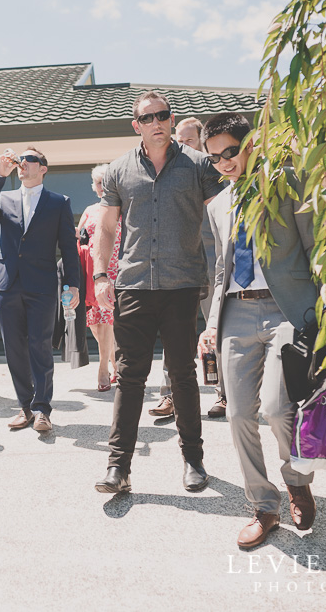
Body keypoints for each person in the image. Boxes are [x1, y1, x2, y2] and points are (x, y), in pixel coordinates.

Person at [93, 91, 223, 495]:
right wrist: (100, 276)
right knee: (130, 377)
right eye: (148, 117)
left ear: (171, 119)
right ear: (137, 125)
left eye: (163, 116)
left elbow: (223, 215)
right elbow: (108, 228)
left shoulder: (200, 166)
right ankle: (119, 467)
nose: (157, 123)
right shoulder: (118, 170)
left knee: (183, 375)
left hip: (183, 284)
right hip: (133, 285)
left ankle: (194, 460)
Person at [198, 112, 318, 548]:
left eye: (231, 151)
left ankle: (297, 479)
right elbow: (219, 271)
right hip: (236, 314)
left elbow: (316, 249)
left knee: (275, 407)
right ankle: (264, 507)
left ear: (251, 143)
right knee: (237, 414)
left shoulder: (288, 182)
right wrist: (211, 324)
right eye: (214, 158)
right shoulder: (217, 205)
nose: (225, 162)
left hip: (287, 311)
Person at [0, 146, 80, 433]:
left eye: (29, 159)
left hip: (42, 285)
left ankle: (42, 408)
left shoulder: (59, 202)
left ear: (43, 168)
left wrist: (73, 285)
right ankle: (25, 406)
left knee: (40, 345)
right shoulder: (6, 197)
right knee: (14, 349)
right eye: (20, 159)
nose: (22, 163)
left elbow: (69, 249)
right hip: (8, 283)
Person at [149, 116, 227, 418]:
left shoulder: (215, 178)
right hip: (178, 269)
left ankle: (223, 395)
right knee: (173, 335)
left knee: (215, 332)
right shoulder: (170, 176)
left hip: (211, 266)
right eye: (178, 140)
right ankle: (169, 396)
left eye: (188, 140)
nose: (182, 145)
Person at [76, 164, 121, 392]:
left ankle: (103, 368)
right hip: (91, 271)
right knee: (94, 323)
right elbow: (79, 237)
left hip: (114, 271)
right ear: (94, 187)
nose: (102, 186)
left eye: (106, 181)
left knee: (107, 320)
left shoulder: (123, 207)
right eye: (98, 182)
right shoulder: (89, 210)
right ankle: (114, 362)